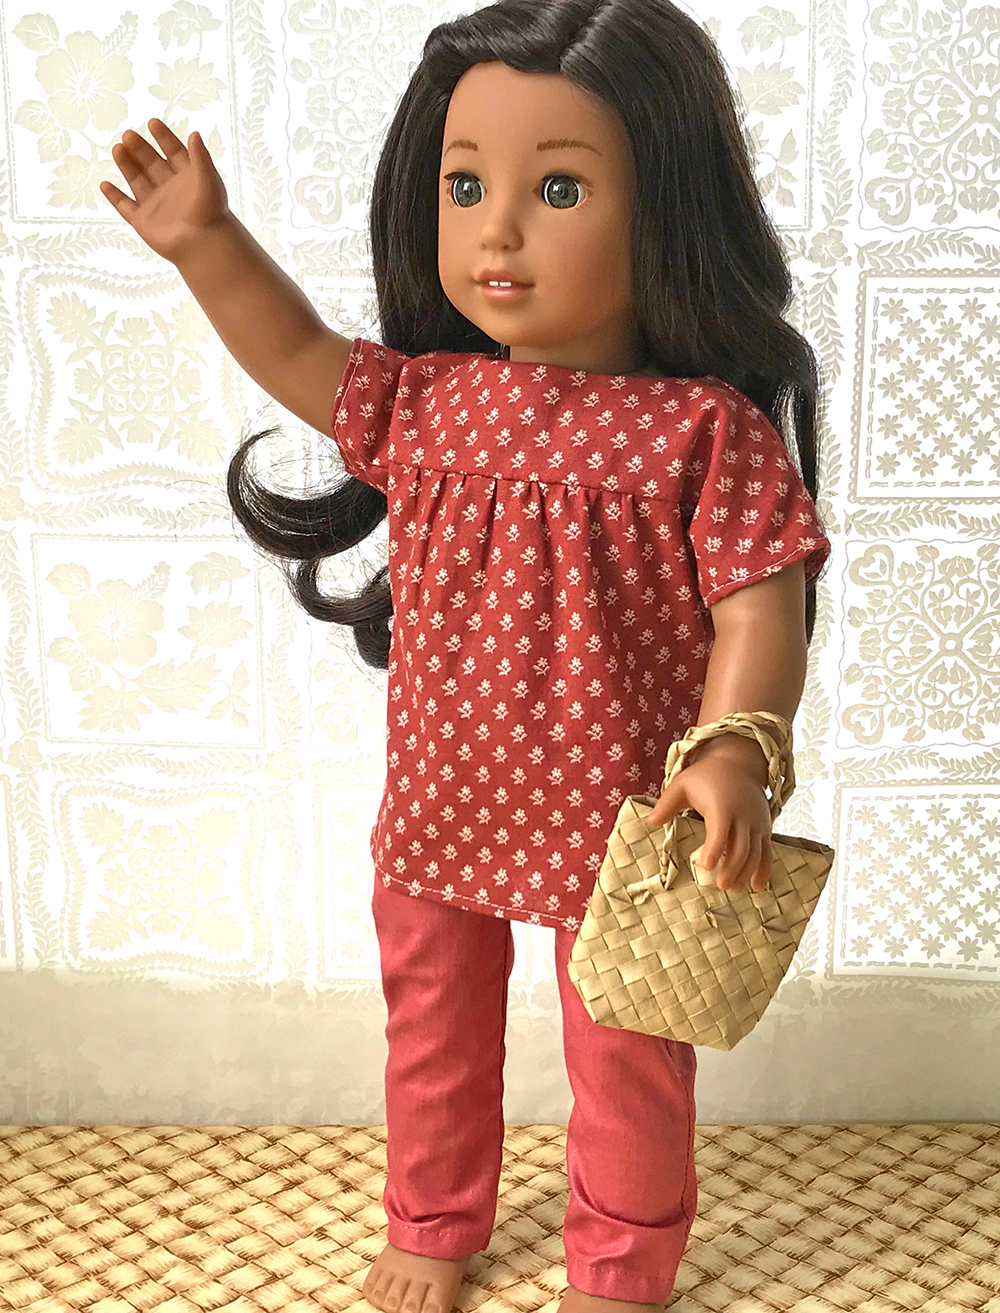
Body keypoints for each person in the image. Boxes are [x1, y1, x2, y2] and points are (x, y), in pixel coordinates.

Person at [100, 2, 833, 1311]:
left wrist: (734, 749)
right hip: (444, 801)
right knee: (431, 1030)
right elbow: (296, 354)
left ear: (669, 205)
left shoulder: (700, 431)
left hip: (628, 819)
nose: (497, 231)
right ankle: (432, 1219)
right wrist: (206, 242)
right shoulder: (428, 403)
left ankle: (624, 1253)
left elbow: (758, 611)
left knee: (631, 1048)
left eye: (559, 189)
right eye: (464, 185)